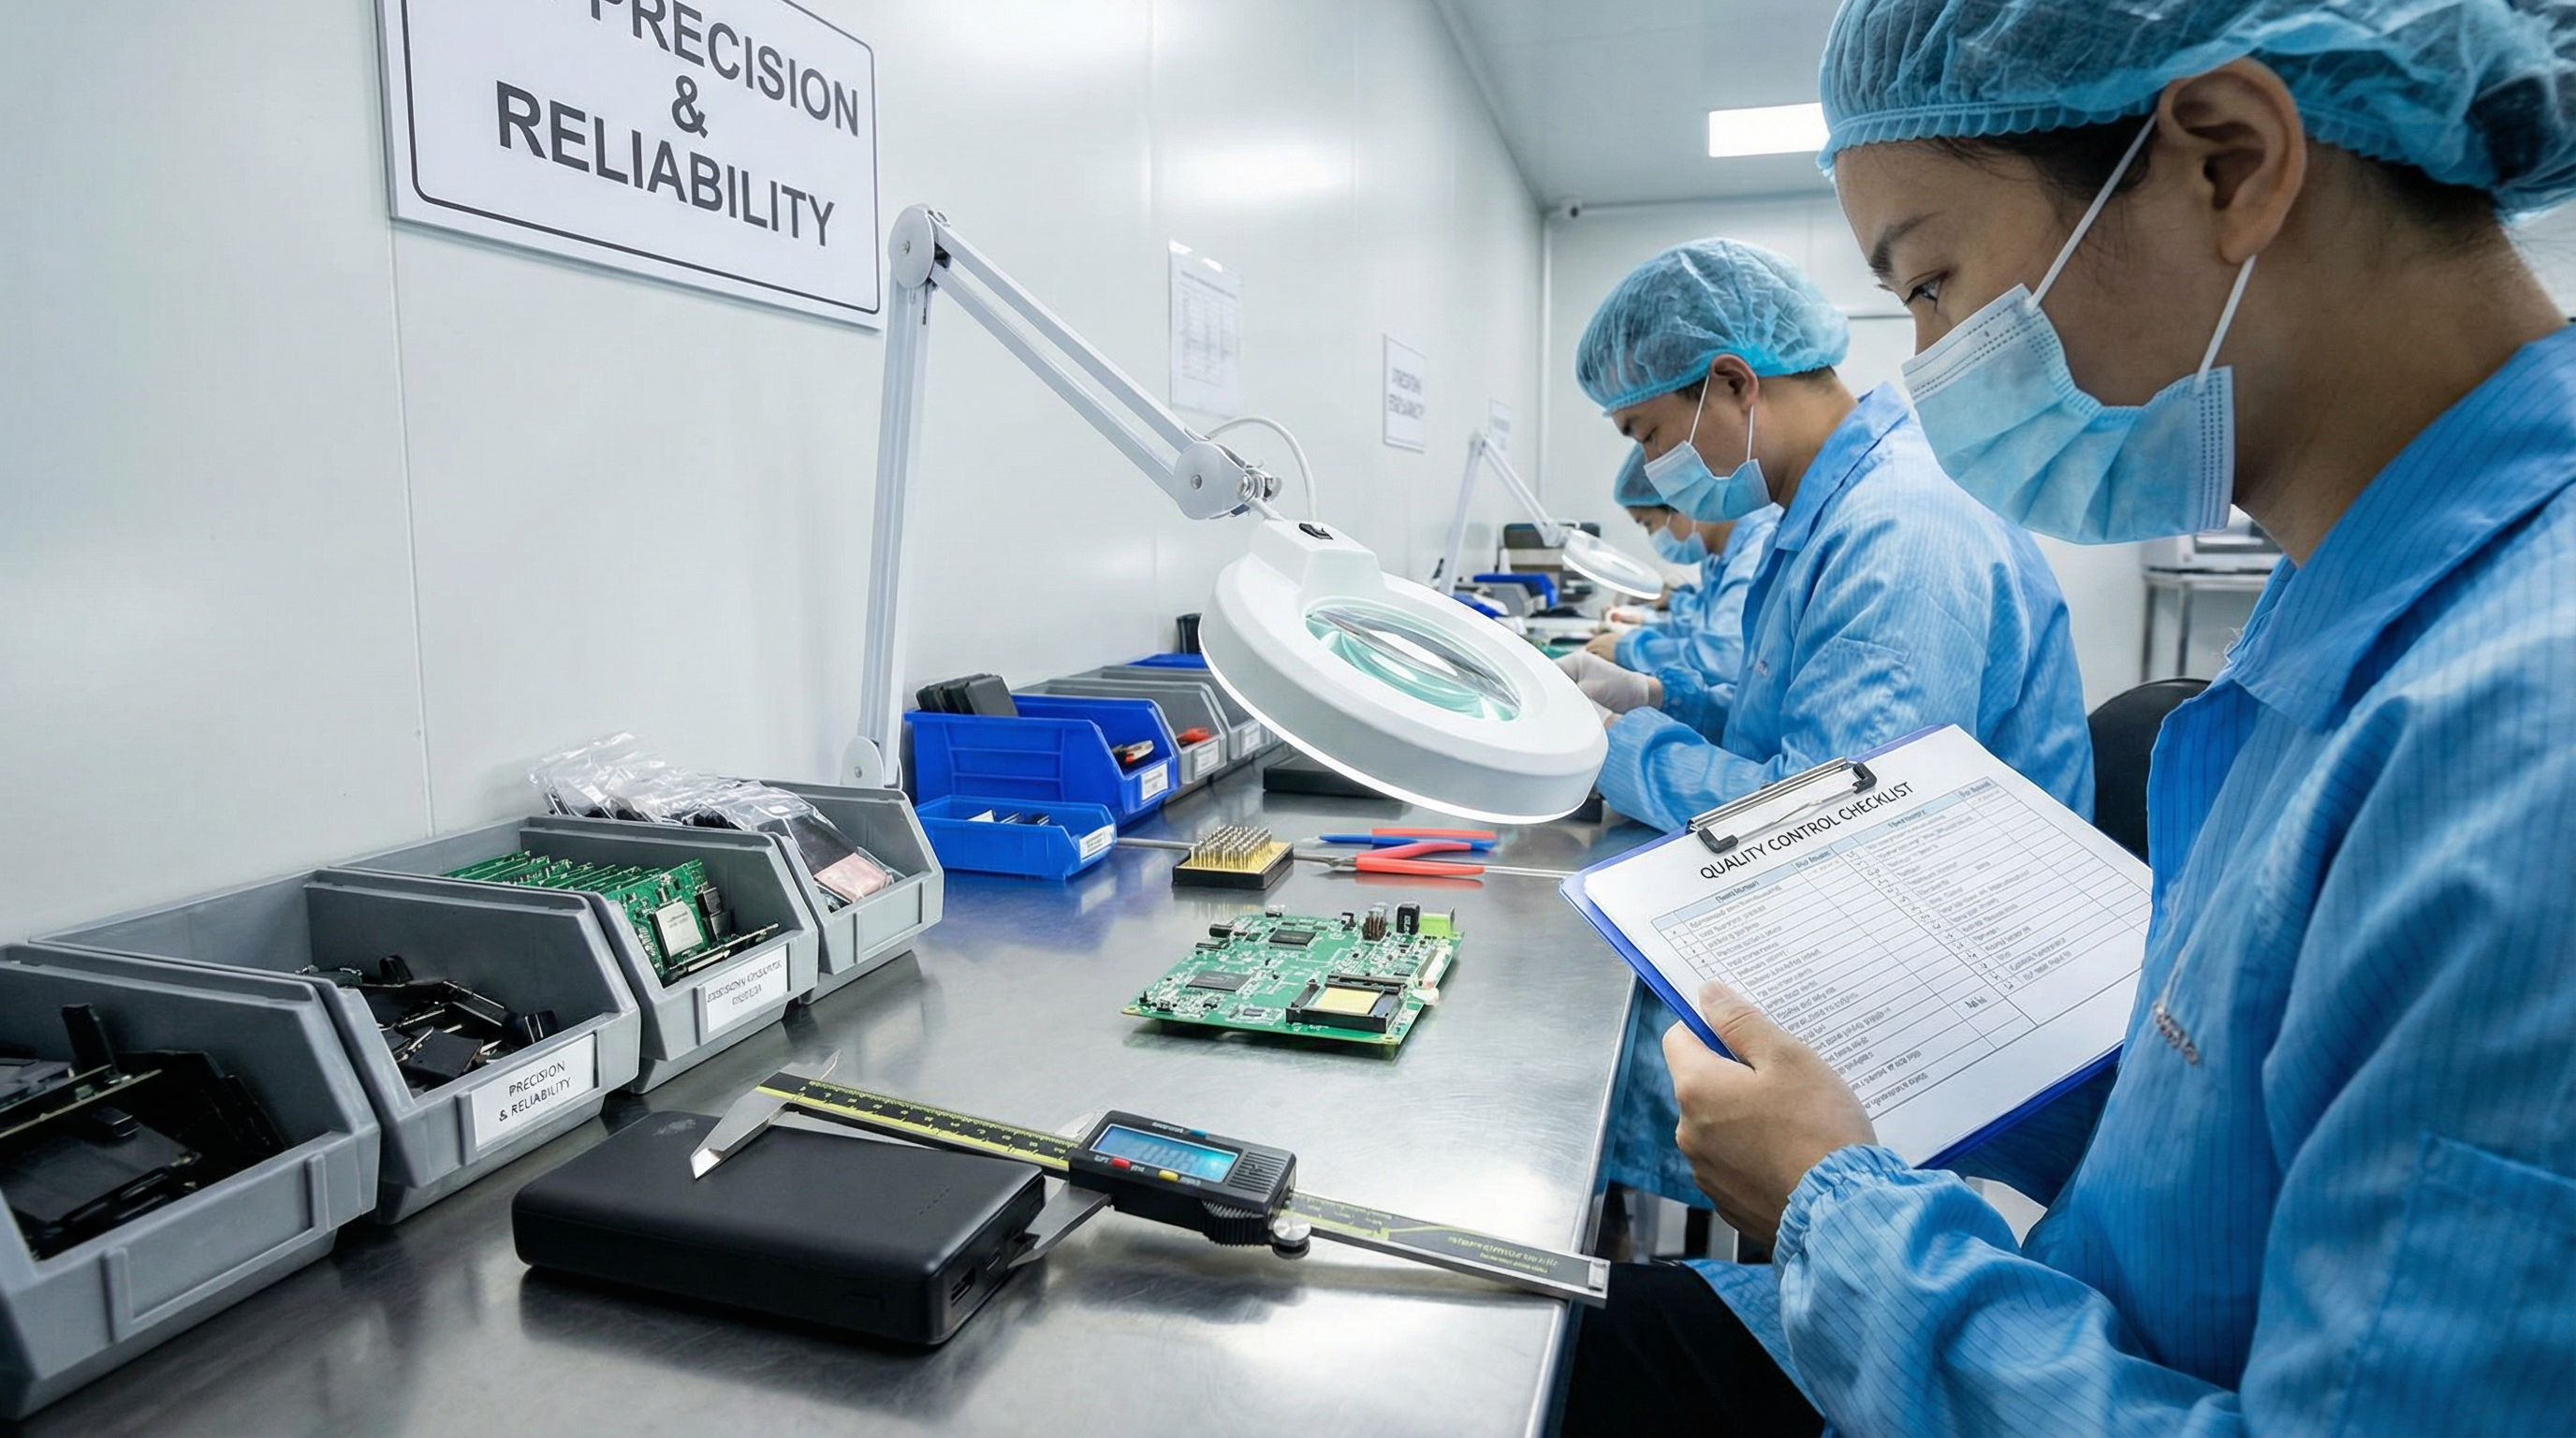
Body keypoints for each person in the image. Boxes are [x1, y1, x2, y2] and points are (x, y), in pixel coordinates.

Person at [1565, 2, 2576, 1434]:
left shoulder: (2524, 746)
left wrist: (1833, 1205)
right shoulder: (2349, 597)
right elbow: (2234, 1136)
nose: (1931, 363)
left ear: (2228, 162)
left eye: (1933, 283)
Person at [1569, 237, 2093, 833]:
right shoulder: (1821, 518)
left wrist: (1608, 744)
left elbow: (1831, 818)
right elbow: (1790, 723)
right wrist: (1655, 698)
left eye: (1648, 434)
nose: (1653, 464)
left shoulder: (1895, 530)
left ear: (1734, 383)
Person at [1579, 448, 1780, 703]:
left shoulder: (1753, 555)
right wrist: (1644, 623)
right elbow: (1702, 623)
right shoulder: (1719, 558)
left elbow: (1724, 657)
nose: (1653, 537)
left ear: (1682, 503)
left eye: (1648, 524)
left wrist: (1629, 649)